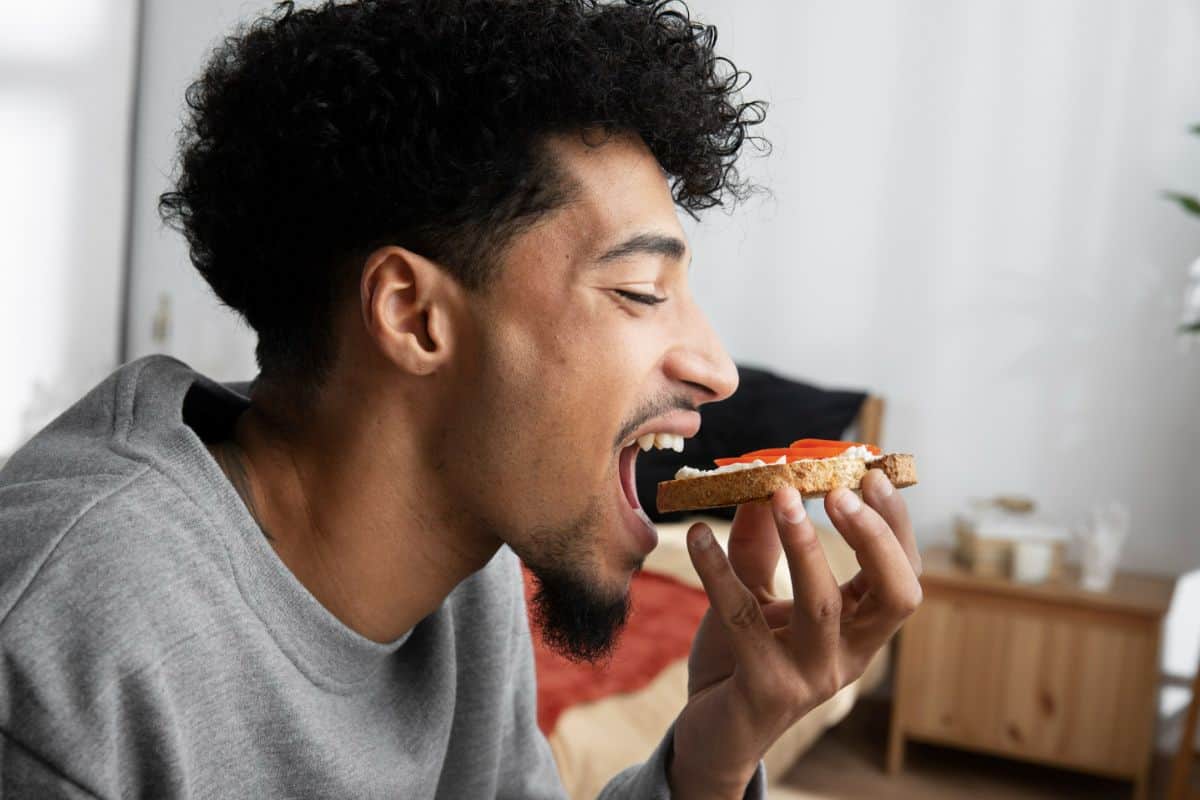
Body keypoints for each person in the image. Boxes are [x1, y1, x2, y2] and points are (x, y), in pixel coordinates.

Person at [0, 0, 923, 797]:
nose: (718, 370)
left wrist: (714, 759)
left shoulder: (468, 566)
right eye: (642, 291)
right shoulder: (69, 654)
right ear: (412, 314)